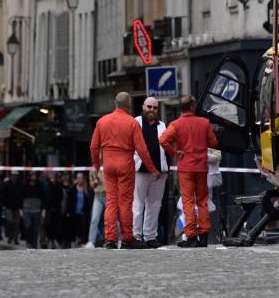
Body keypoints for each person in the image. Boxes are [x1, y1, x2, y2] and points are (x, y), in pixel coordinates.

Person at [90, 92, 159, 249]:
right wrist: (152, 169)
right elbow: (142, 150)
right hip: (125, 164)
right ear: (129, 105)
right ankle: (128, 238)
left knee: (111, 201)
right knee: (126, 202)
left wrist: (96, 166)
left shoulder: (102, 121)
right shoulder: (132, 123)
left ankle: (110, 239)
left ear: (115, 103)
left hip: (108, 164)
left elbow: (94, 147)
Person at [160, 95, 218, 248]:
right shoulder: (204, 123)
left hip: (185, 167)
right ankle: (204, 235)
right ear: (193, 106)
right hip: (201, 166)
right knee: (203, 200)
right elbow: (213, 142)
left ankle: (191, 236)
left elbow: (163, 140)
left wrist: (174, 152)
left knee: (188, 201)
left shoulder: (176, 124)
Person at [133, 97, 169, 248]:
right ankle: (135, 235)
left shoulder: (162, 125)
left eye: (155, 108)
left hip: (160, 171)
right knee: (138, 204)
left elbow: (167, 145)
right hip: (140, 170)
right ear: (143, 107)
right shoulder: (136, 122)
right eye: (149, 107)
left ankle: (150, 236)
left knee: (155, 204)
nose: (152, 110)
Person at [66, 173, 92, 247]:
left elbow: (88, 203)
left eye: (81, 178)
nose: (79, 179)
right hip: (73, 213)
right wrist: (68, 212)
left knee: (83, 229)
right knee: (73, 229)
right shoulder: (72, 189)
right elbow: (69, 201)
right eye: (78, 178)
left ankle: (82, 242)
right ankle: (73, 242)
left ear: (83, 179)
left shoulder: (87, 189)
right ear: (76, 179)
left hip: (83, 213)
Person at [86, 163, 107, 248]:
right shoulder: (92, 169)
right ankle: (91, 241)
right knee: (94, 219)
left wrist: (102, 179)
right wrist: (95, 182)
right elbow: (91, 185)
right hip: (97, 196)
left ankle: (120, 239)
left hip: (108, 195)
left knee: (113, 219)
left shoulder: (107, 165)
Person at [21, 172, 44, 249]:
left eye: (35, 176)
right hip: (27, 210)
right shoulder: (25, 186)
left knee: (35, 228)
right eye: (32, 176)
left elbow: (43, 199)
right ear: (30, 177)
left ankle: (34, 244)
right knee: (28, 227)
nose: (33, 177)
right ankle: (28, 242)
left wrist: (43, 210)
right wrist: (20, 209)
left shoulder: (40, 186)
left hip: (36, 211)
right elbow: (20, 198)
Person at [2, 172, 23, 245]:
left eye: (16, 175)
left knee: (17, 224)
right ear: (11, 175)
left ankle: (15, 238)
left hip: (17, 207)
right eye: (13, 175)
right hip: (9, 206)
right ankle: (10, 236)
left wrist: (21, 206)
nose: (15, 176)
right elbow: (4, 195)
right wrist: (4, 205)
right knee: (10, 222)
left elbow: (21, 196)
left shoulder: (19, 184)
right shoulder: (7, 184)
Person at [43, 173, 63, 249]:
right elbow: (46, 198)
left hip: (57, 209)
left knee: (56, 226)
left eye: (54, 177)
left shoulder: (59, 186)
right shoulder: (48, 186)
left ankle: (53, 240)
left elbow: (60, 197)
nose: (53, 179)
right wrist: (45, 209)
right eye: (52, 178)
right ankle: (49, 240)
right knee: (48, 226)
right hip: (49, 210)